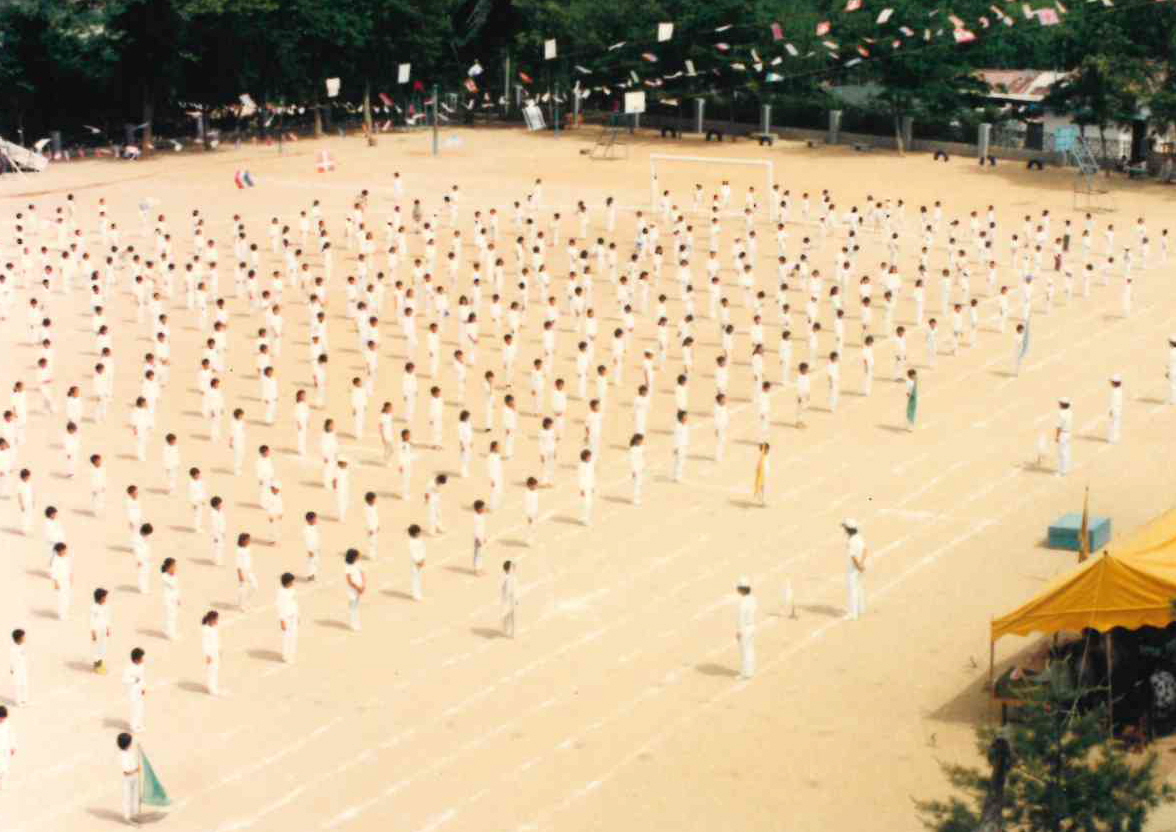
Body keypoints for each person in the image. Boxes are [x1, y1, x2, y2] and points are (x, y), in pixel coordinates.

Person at [844, 520, 867, 620]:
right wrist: (862, 563)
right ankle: (861, 609)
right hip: (860, 566)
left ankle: (853, 614)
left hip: (853, 568)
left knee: (852, 589)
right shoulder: (859, 537)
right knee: (859, 587)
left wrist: (858, 565)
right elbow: (865, 549)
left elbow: (853, 556)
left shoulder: (850, 541)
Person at [117, 732, 140, 825]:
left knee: (134, 795)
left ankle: (133, 814)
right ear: (127, 744)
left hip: (134, 777)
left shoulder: (128, 752)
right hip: (128, 779)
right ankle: (128, 817)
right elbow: (126, 772)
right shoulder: (123, 755)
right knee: (128, 797)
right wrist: (136, 770)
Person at [736, 578, 756, 680]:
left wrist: (739, 631)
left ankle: (745, 673)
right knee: (750, 649)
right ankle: (751, 671)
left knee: (744, 651)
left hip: (745, 628)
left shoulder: (743, 603)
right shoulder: (753, 599)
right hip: (752, 626)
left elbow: (741, 618)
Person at [123, 647, 146, 731]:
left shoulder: (141, 666)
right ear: (136, 660)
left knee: (140, 707)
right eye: (141, 658)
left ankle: (138, 724)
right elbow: (125, 680)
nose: (143, 659)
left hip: (139, 690)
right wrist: (134, 680)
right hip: (132, 691)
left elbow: (142, 677)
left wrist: (143, 687)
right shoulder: (129, 668)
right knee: (134, 708)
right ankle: (133, 726)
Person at [277, 573, 298, 664]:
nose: (293, 583)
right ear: (287, 582)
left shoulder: (292, 590)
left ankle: (291, 654)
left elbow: (294, 603)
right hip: (286, 617)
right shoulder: (281, 593)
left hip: (293, 616)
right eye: (291, 581)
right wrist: (282, 620)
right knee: (286, 636)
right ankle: (285, 655)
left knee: (293, 636)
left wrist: (298, 615)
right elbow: (280, 607)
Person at [91, 588, 111, 673]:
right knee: (97, 648)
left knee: (103, 647)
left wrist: (108, 628)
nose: (106, 599)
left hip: (103, 629)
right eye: (104, 597)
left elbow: (107, 618)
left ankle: (101, 663)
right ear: (100, 598)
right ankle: (97, 666)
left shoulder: (106, 607)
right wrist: (93, 633)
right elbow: (92, 621)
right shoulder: (94, 608)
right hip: (97, 630)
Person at [201, 611, 221, 695]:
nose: (217, 621)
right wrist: (208, 655)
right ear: (211, 620)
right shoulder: (206, 630)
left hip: (215, 652)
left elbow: (216, 641)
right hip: (210, 653)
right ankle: (211, 689)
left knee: (215, 669)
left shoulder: (213, 628)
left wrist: (219, 650)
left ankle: (213, 686)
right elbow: (205, 643)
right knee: (211, 670)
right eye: (216, 619)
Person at [50, 541, 71, 619]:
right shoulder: (55, 560)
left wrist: (70, 577)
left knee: (67, 597)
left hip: (66, 580)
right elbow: (53, 572)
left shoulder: (66, 558)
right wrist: (56, 583)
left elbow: (69, 568)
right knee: (61, 598)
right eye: (64, 550)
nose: (65, 551)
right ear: (60, 551)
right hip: (60, 581)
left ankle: (65, 612)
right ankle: (61, 614)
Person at [344, 548, 365, 630]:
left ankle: (357, 622)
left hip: (359, 588)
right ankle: (353, 624)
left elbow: (362, 573)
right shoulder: (347, 567)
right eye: (357, 555)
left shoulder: (358, 564)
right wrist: (358, 588)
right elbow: (349, 581)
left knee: (357, 606)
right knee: (353, 607)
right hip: (352, 590)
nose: (359, 557)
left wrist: (363, 585)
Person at [236, 532, 258, 609]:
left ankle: (246, 601)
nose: (249, 541)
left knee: (255, 586)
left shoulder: (247, 548)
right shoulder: (239, 550)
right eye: (248, 539)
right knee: (242, 588)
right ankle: (241, 604)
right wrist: (240, 574)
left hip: (249, 571)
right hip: (242, 571)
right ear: (243, 541)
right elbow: (238, 563)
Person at [160, 558, 180, 640]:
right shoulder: (165, 576)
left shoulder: (174, 575)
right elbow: (173, 585)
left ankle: (171, 632)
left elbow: (177, 588)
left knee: (173, 616)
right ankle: (170, 634)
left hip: (174, 599)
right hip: (169, 600)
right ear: (168, 567)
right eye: (173, 566)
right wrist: (172, 574)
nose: (175, 568)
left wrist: (178, 598)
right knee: (170, 617)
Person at [408, 524, 426, 600]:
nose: (420, 533)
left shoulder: (420, 540)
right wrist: (418, 562)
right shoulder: (411, 542)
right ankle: (415, 594)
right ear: (415, 533)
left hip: (420, 561)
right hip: (415, 563)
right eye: (418, 532)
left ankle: (419, 592)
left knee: (419, 578)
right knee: (415, 578)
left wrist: (423, 559)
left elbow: (423, 550)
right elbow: (413, 554)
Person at [9, 630, 28, 706]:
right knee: (18, 685)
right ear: (19, 638)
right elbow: (12, 660)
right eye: (23, 637)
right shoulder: (13, 649)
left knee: (24, 684)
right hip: (17, 670)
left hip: (23, 669)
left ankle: (24, 699)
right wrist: (12, 669)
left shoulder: (22, 647)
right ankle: (18, 701)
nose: (25, 638)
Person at [1056, 397, 1073, 476]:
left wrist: (1057, 436)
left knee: (1061, 453)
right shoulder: (1070, 412)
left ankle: (1061, 471)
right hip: (1068, 433)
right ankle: (1066, 469)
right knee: (1067, 452)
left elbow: (1059, 426)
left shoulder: (1061, 413)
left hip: (1063, 434)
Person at [501, 560, 518, 638]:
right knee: (510, 616)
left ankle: (509, 631)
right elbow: (508, 590)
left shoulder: (510, 576)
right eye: (511, 566)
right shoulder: (508, 578)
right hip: (510, 599)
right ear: (508, 569)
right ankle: (510, 632)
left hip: (511, 599)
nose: (513, 567)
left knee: (509, 616)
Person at [0, 705, 14, 791]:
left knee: (4, 769)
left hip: (5, 749)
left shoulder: (7, 724)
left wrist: (13, 746)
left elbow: (11, 735)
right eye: (1, 718)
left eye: (4, 718)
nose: (3, 720)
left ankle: (2, 784)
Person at [472, 500, 488, 574]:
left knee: (481, 553)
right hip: (477, 538)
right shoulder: (476, 517)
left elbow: (483, 528)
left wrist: (484, 536)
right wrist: (478, 539)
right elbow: (476, 529)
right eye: (483, 507)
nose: (484, 509)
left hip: (481, 536)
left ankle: (480, 567)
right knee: (477, 553)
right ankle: (476, 569)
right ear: (479, 509)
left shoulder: (482, 516)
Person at [1108, 374, 1123, 444]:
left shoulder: (1114, 391)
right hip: (1119, 409)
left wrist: (1111, 410)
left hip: (1115, 409)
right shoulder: (1120, 390)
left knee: (1112, 423)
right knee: (1117, 423)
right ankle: (1116, 437)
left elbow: (1113, 402)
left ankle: (1112, 438)